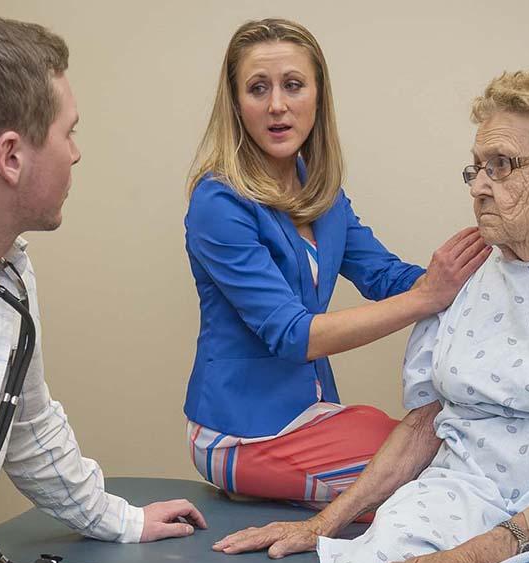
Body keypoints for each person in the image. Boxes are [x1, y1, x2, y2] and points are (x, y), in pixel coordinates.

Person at [212, 66, 529, 563]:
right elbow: (426, 423)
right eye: (477, 168)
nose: (480, 188)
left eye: (503, 165)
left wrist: (465, 560)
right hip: (453, 496)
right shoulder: (467, 275)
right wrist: (320, 526)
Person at [184, 17, 489, 508]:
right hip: (242, 433)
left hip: (313, 413)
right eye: (258, 88)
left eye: (293, 85)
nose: (277, 105)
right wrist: (427, 296)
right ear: (237, 105)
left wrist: (490, 282)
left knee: (453, 449)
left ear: (318, 97)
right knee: (437, 490)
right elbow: (291, 335)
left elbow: (385, 276)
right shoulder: (218, 202)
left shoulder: (319, 192)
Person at [0, 12, 206, 563]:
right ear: (12, 157)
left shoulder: (9, 277)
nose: (76, 152)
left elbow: (27, 425)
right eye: (68, 132)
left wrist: (122, 521)